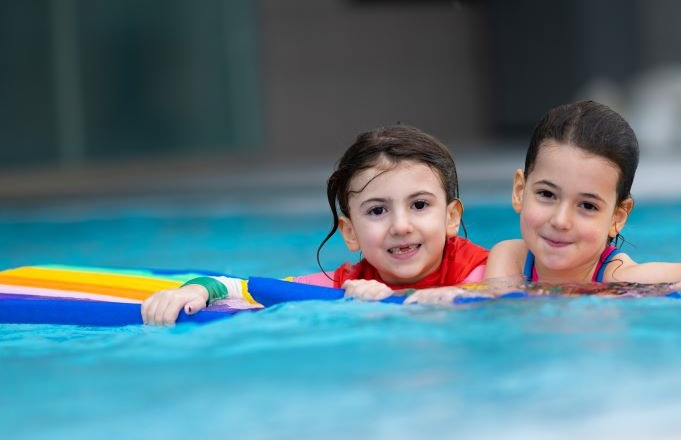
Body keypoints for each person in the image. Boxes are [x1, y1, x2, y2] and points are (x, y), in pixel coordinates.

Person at [141, 125, 488, 324]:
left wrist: (401, 297)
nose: (401, 225)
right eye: (377, 211)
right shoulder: (344, 284)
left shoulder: (482, 271)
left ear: (451, 217)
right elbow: (243, 288)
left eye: (419, 205)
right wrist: (194, 291)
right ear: (350, 232)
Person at [481, 99, 681, 295]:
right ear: (520, 191)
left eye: (587, 205)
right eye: (546, 194)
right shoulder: (511, 257)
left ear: (617, 217)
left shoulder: (621, 278)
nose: (560, 220)